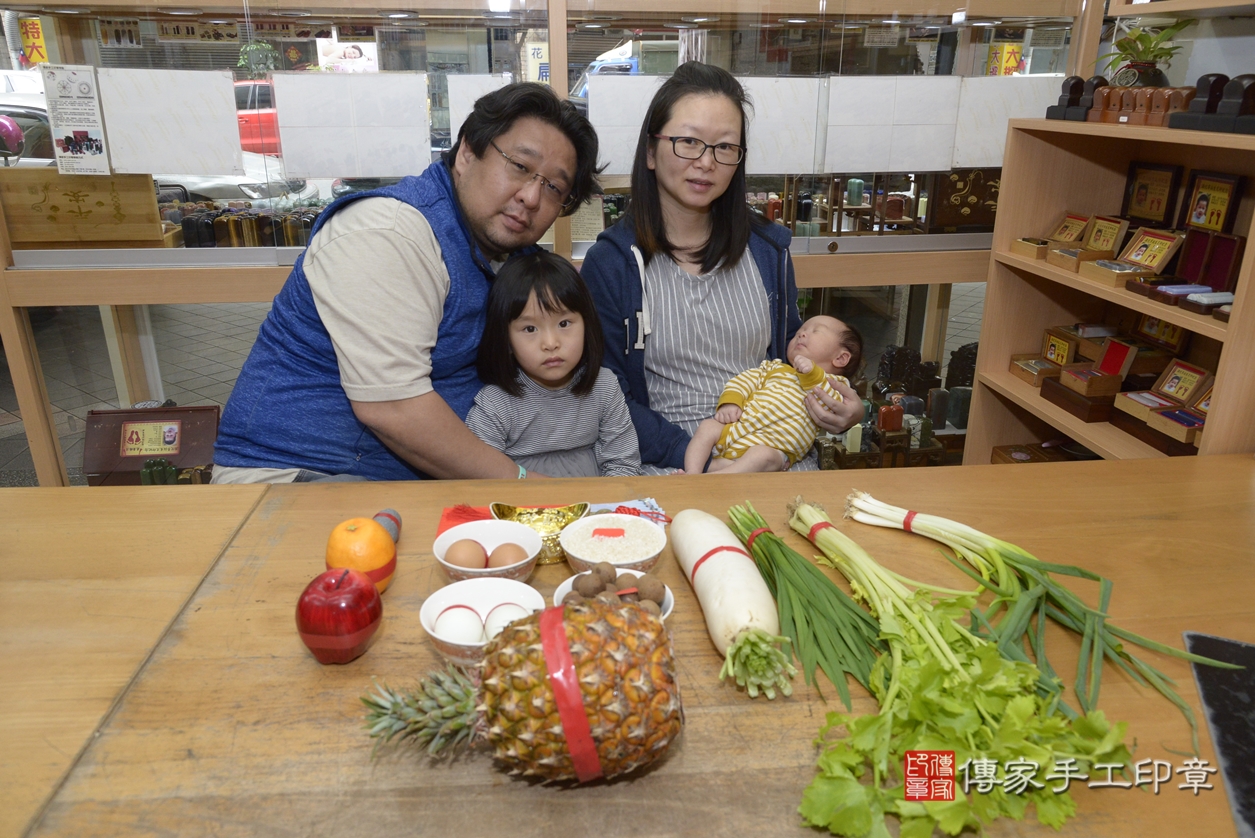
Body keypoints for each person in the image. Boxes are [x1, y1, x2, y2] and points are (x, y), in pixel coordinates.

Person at [211, 83, 600, 483]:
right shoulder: (389, 232)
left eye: (554, 187)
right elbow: (394, 408)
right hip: (299, 474)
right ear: (467, 152)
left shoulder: (512, 254)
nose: (532, 197)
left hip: (414, 483)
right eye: (519, 166)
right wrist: (523, 483)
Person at [581, 61, 863, 473]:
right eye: (688, 142)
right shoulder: (613, 264)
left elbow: (795, 353)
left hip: (773, 460)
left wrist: (843, 408)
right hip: (670, 463)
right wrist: (703, 458)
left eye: (725, 147)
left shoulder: (768, 250)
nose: (706, 162)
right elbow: (606, 397)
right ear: (650, 151)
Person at [465, 251, 640, 478]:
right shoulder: (495, 404)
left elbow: (623, 464)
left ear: (587, 324)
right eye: (530, 329)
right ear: (506, 340)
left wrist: (604, 508)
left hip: (593, 507)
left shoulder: (604, 387)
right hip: (522, 508)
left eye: (564, 323)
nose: (550, 343)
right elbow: (479, 479)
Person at [683, 315, 862, 474]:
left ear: (840, 358)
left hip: (774, 450)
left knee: (762, 456)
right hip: (735, 431)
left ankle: (718, 476)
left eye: (816, 331)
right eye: (800, 331)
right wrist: (731, 402)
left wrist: (812, 374)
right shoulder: (774, 367)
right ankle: (692, 473)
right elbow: (744, 380)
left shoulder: (836, 386)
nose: (802, 334)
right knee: (708, 426)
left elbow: (829, 407)